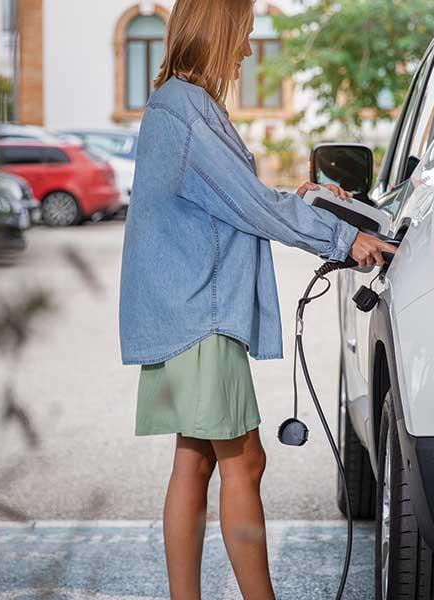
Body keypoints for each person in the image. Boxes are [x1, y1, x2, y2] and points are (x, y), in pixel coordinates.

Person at [117, 0, 397, 598]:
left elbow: (232, 195)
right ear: (217, 32)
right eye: (243, 35)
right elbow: (250, 206)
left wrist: (305, 196)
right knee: (244, 461)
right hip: (200, 318)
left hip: (185, 311)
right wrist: (345, 236)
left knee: (194, 460)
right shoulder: (189, 110)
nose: (247, 49)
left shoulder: (178, 103)